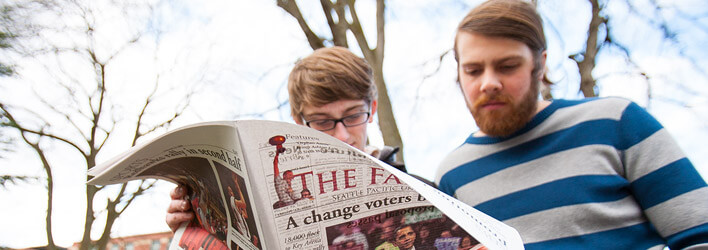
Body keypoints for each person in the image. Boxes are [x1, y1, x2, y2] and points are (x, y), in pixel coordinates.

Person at [435, 0, 708, 249]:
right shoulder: (451, 177)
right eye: (473, 70)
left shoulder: (616, 122)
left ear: (539, 66)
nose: (489, 83)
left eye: (507, 66)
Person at [166, 46, 429, 232]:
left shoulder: (426, 191)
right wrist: (195, 226)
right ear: (298, 120)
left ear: (371, 109)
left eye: (352, 116)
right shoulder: (269, 200)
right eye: (323, 121)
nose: (342, 135)